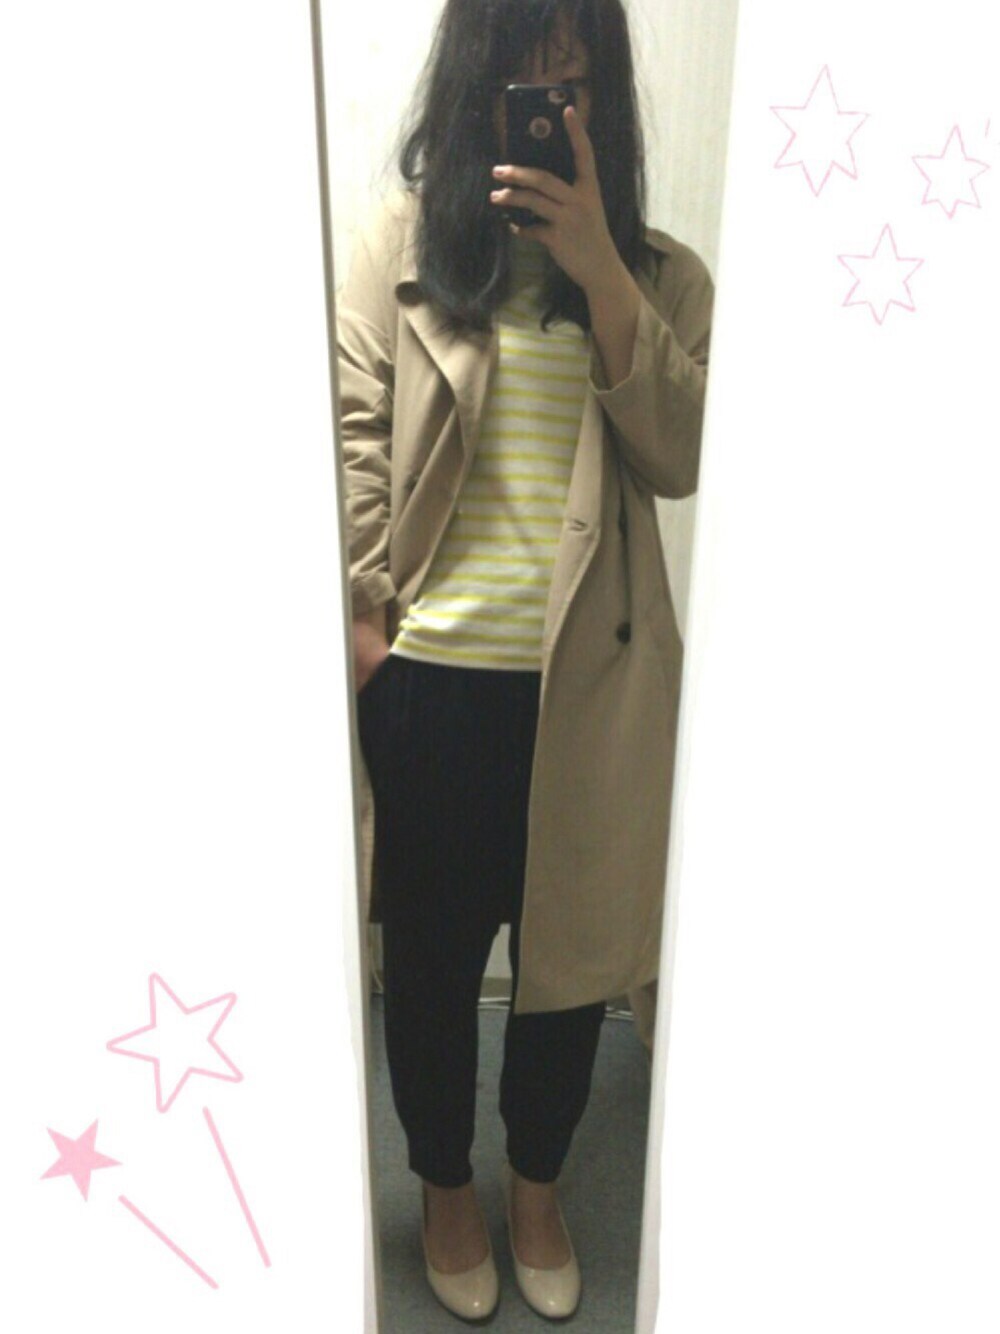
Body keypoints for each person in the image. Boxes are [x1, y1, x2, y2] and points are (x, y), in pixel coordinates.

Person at [338, 0, 713, 1320]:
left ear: (604, 100)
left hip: (589, 688)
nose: (551, 109)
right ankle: (448, 1184)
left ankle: (539, 1186)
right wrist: (369, 627)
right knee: (432, 972)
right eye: (523, 82)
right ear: (475, 89)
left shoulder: (663, 279)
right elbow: (354, 434)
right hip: (433, 684)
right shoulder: (399, 249)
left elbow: (681, 455)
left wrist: (601, 269)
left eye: (575, 84)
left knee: (567, 968)